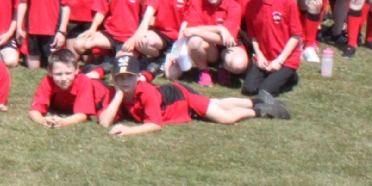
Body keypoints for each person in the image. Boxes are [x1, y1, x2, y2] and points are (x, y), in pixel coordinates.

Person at [98, 59, 288, 136]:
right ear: (113, 79)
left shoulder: (146, 91)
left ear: (138, 77)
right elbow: (105, 122)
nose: (124, 81)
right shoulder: (116, 93)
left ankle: (260, 110)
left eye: (129, 77)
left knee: (224, 117)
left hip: (181, 97)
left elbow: (155, 124)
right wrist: (119, 95)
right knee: (216, 103)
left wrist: (129, 131)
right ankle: (257, 100)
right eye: (119, 78)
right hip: (174, 97)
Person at [242, 0, 301, 98]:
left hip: (285, 58)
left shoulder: (287, 2)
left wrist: (280, 60)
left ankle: (290, 74)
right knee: (249, 89)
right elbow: (253, 35)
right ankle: (279, 75)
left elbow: (296, 35)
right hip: (266, 58)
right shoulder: (251, 6)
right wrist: (259, 55)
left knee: (265, 91)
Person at [28, 49, 101, 129]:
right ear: (50, 72)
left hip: (102, 96)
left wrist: (64, 122)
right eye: (58, 74)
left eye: (68, 73)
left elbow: (84, 114)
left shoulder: (83, 80)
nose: (63, 78)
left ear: (76, 70)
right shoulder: (48, 81)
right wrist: (42, 120)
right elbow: (34, 110)